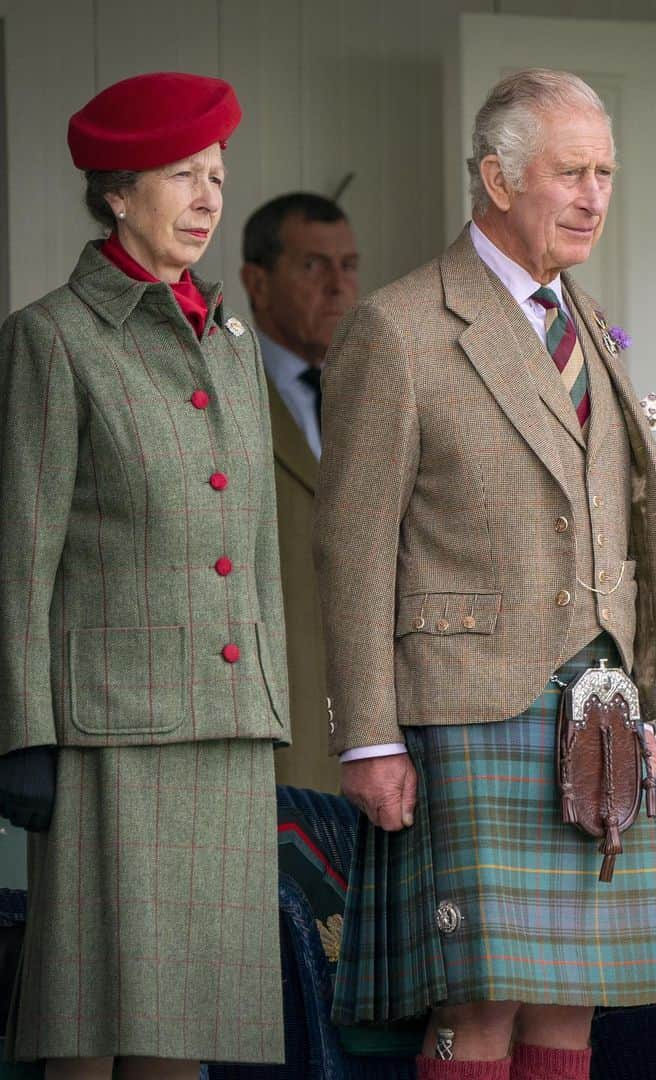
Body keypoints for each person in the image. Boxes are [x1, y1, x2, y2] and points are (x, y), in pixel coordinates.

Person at [313, 68, 656, 1080]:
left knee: (569, 1007)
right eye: (571, 172)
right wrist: (371, 735)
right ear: (495, 176)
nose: (594, 195)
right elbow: (351, 552)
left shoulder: (595, 327)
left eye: (605, 173)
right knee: (471, 1009)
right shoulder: (398, 330)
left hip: (594, 715)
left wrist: (641, 706)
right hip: (465, 710)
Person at [0, 72, 290, 1077]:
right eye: (183, 173)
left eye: (218, 174)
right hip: (109, 735)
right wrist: (23, 728)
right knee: (88, 1036)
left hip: (225, 729)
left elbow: (258, 552)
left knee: (187, 1038)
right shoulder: (51, 340)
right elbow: (21, 556)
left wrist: (270, 704)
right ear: (118, 190)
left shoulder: (236, 343)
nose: (211, 196)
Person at [241, 193, 360, 792]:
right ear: (256, 283)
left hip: (371, 737)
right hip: (274, 725)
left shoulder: (371, 391)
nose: (339, 286)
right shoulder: (226, 390)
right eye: (314, 266)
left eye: (349, 265)